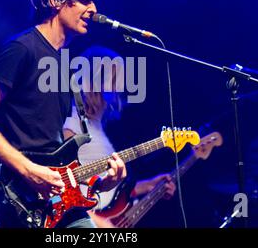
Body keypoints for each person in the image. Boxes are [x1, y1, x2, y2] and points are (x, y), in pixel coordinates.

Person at [0, 0, 127, 228]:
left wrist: (103, 182)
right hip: (15, 195)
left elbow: (56, 153)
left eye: (93, 1)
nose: (93, 9)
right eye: (84, 0)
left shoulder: (64, 66)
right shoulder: (21, 49)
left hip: (59, 203)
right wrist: (28, 170)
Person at [63, 46, 176, 228]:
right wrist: (98, 223)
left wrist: (148, 185)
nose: (121, 86)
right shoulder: (72, 120)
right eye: (116, 78)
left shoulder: (96, 126)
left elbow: (102, 188)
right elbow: (64, 189)